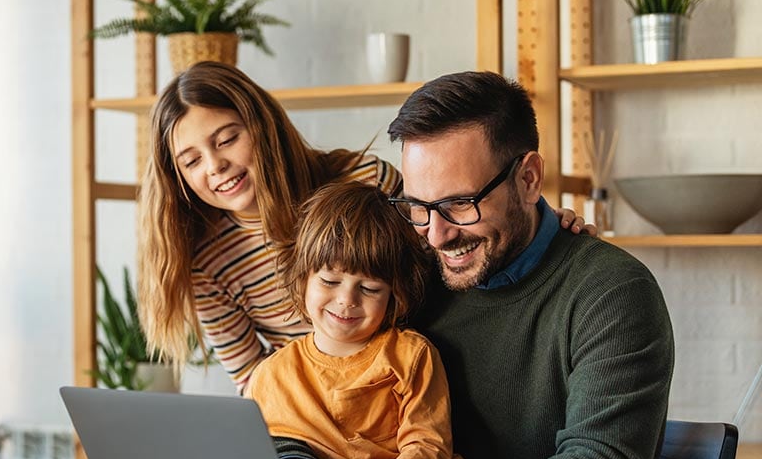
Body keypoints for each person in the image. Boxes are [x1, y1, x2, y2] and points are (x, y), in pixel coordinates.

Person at [297, 71, 674, 459]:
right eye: (418, 206)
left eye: (459, 203)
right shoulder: (412, 277)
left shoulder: (612, 293)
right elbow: (327, 380)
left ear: (529, 178)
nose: (436, 234)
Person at [137, 61, 592, 395]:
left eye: (227, 139)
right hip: (315, 413)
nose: (215, 167)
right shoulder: (206, 264)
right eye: (191, 160)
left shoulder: (363, 180)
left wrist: (544, 226)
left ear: (261, 127)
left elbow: (455, 247)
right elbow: (254, 385)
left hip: (419, 382)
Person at [247, 180, 462, 459]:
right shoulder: (269, 376)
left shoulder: (411, 356)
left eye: (369, 288)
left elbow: (428, 451)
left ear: (394, 295)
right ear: (303, 279)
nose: (347, 300)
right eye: (330, 281)